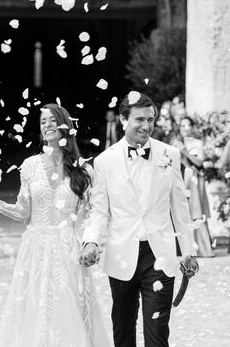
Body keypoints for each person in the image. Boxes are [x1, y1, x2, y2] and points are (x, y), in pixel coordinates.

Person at [0, 103, 111, 347]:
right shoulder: (30, 165)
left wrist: (90, 243)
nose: (48, 125)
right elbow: (23, 212)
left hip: (68, 249)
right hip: (36, 249)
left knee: (68, 307)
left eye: (53, 120)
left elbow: (93, 213)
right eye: (43, 122)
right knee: (35, 308)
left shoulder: (83, 170)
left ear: (65, 126)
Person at [80, 92, 198, 347]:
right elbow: (99, 210)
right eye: (139, 119)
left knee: (157, 334)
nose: (146, 126)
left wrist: (188, 252)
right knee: (123, 330)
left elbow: (179, 207)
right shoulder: (104, 161)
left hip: (160, 254)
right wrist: (90, 241)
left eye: (151, 119)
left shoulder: (170, 154)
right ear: (123, 119)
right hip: (121, 254)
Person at [173, 116, 215, 257]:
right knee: (181, 210)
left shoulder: (197, 143)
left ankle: (202, 248)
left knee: (196, 211)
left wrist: (185, 152)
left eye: (188, 125)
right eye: (182, 126)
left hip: (194, 180)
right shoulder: (175, 143)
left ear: (192, 127)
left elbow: (199, 162)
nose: (185, 128)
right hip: (180, 179)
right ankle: (182, 248)